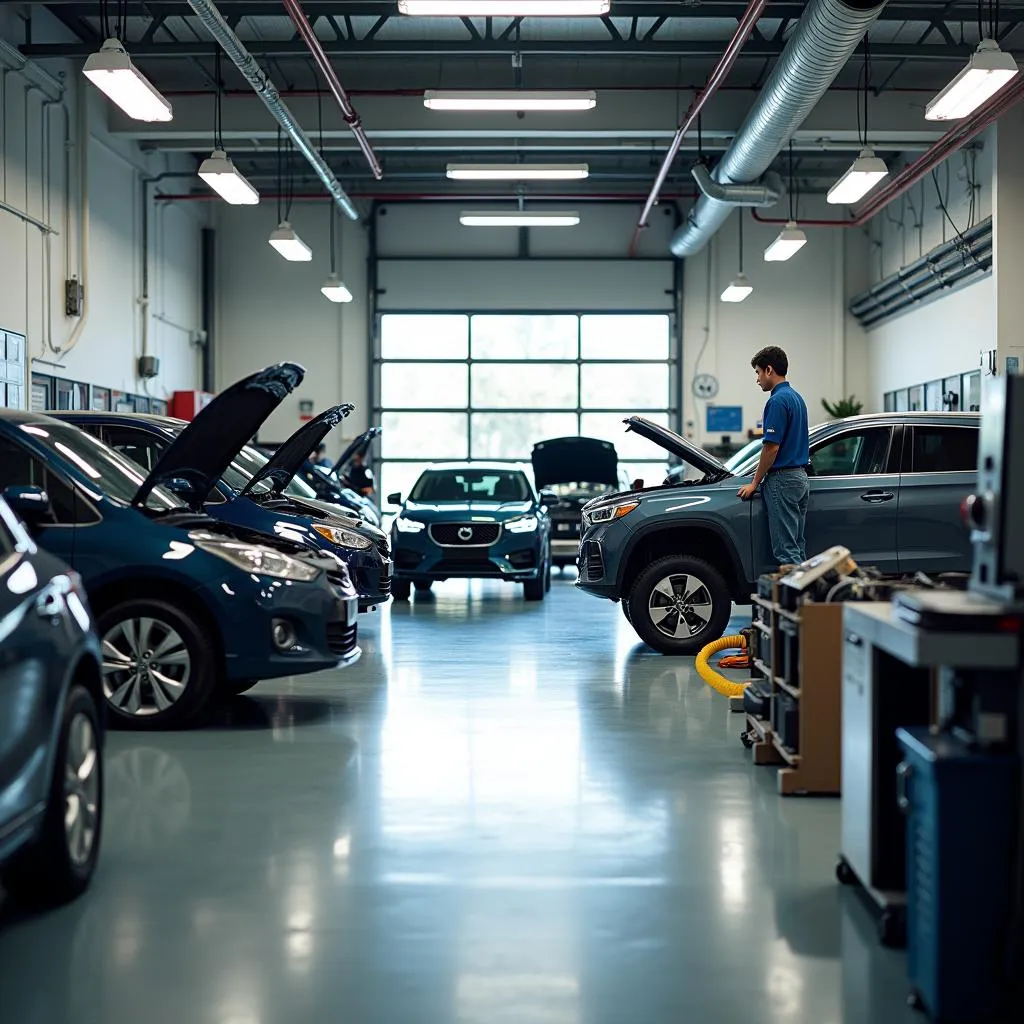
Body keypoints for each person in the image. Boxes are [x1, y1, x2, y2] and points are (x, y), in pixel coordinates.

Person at [736, 345, 810, 570]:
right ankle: (806, 600)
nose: (757, 379)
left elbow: (771, 449)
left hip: (782, 481)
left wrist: (754, 483)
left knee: (786, 550)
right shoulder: (796, 398)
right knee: (797, 546)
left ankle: (799, 603)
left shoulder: (777, 401)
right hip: (799, 478)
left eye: (758, 372)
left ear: (769, 370)